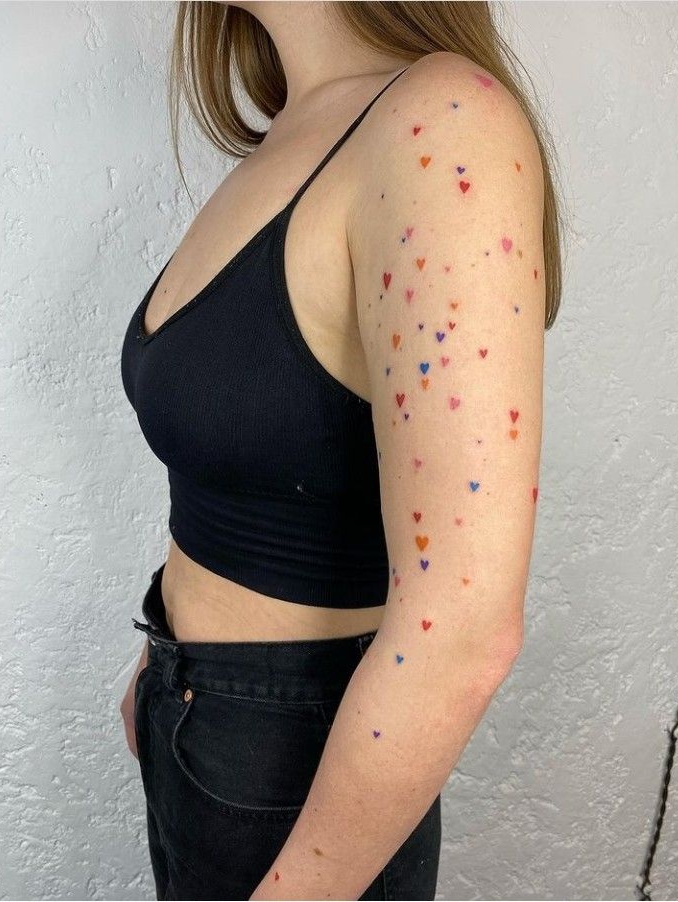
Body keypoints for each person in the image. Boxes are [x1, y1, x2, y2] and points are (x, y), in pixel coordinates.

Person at [119, 2, 562, 899]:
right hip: (198, 722)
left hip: (296, 770)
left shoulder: (444, 125)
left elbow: (465, 629)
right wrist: (161, 661)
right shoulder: (299, 129)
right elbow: (254, 456)